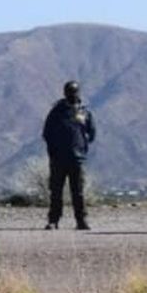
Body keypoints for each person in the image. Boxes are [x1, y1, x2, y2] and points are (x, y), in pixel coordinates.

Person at [42, 80, 96, 230]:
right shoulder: (57, 112)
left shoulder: (85, 112)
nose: (71, 94)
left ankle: (81, 220)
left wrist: (82, 146)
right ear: (64, 93)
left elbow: (91, 133)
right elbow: (47, 133)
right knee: (56, 191)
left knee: (78, 191)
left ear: (78, 93)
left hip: (77, 158)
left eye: (74, 92)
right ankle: (54, 220)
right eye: (68, 92)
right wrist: (53, 150)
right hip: (58, 158)